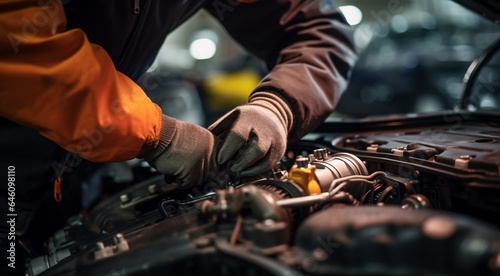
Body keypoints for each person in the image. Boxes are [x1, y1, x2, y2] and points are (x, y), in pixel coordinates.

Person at [0, 0, 356, 261]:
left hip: (77, 178)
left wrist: (277, 106)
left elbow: (315, 28)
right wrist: (159, 135)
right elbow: (14, 46)